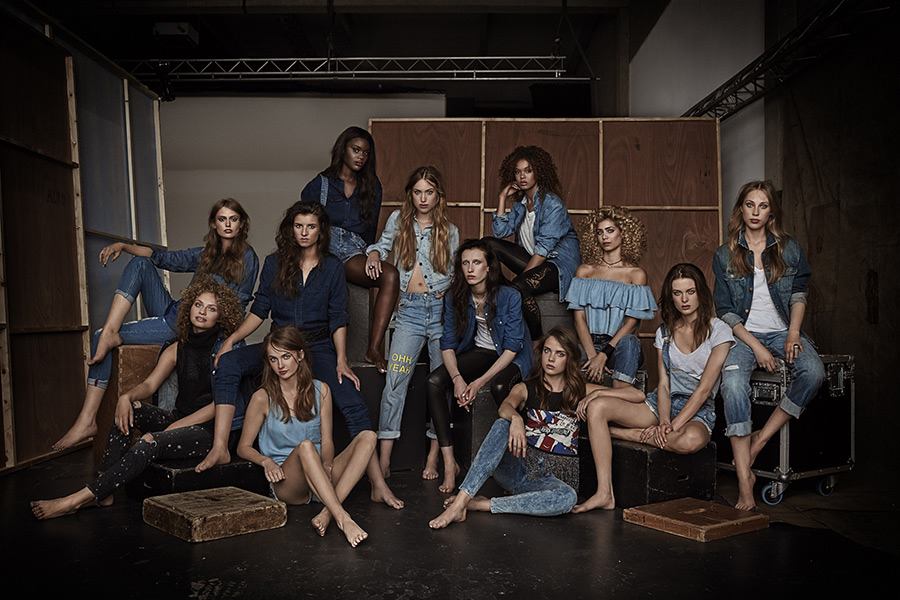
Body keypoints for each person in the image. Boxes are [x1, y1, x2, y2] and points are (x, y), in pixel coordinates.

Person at [208, 201, 403, 509]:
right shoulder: (274, 263)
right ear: (291, 228)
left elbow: (338, 317)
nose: (304, 232)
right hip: (280, 345)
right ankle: (220, 446)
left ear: (320, 231)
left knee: (353, 401)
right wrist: (231, 340)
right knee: (229, 363)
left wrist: (341, 359)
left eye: (311, 227)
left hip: (318, 347)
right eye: (298, 226)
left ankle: (378, 484)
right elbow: (260, 310)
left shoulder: (333, 267)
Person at [53, 198, 258, 451]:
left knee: (98, 337)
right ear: (214, 224)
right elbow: (164, 258)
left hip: (190, 326)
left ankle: (88, 417)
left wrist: (225, 341)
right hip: (176, 313)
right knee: (140, 265)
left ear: (241, 224)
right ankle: (109, 337)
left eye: (233, 219)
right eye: (222, 219)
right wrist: (124, 246)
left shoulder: (247, 257)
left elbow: (238, 306)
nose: (227, 224)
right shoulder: (207, 253)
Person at [31, 277, 244, 519]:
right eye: (198, 304)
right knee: (130, 409)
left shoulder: (224, 351)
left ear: (221, 316)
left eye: (211, 308)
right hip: (180, 418)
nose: (202, 312)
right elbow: (150, 384)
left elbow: (219, 406)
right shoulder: (177, 347)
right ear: (189, 307)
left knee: (149, 441)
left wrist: (175, 428)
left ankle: (76, 500)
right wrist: (126, 396)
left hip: (210, 430)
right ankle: (104, 491)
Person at [574, 263, 732, 512]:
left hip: (698, 410)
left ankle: (628, 434)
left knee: (690, 441)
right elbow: (664, 385)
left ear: (700, 293)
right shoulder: (665, 332)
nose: (684, 299)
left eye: (690, 292)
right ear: (671, 297)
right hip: (661, 405)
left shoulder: (719, 331)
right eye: (677, 293)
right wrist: (664, 421)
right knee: (598, 407)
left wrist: (672, 426)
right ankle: (605, 493)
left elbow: (704, 390)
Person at [713, 181, 825, 511]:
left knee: (814, 372)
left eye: (762, 206)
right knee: (733, 385)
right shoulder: (724, 254)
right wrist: (757, 348)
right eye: (750, 205)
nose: (755, 212)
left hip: (783, 332)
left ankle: (760, 439)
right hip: (744, 336)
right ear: (741, 209)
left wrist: (793, 334)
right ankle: (744, 479)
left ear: (771, 212)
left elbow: (799, 295)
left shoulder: (789, 249)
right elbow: (726, 311)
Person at [429, 327, 602, 529]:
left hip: (553, 483)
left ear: (569, 358)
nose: (551, 359)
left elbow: (632, 395)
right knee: (503, 423)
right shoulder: (525, 387)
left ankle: (483, 504)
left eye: (560, 354)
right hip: (519, 470)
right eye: (547, 351)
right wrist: (516, 419)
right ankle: (460, 502)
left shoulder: (580, 390)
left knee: (567, 498)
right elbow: (505, 406)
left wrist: (597, 395)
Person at [237, 326, 374, 547]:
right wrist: (266, 461)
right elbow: (243, 447)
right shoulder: (262, 397)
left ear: (300, 355)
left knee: (368, 436)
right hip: (288, 483)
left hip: (320, 475)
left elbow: (327, 440)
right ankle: (342, 518)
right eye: (273, 359)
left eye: (286, 356)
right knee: (306, 446)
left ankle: (327, 513)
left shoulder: (321, 390)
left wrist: (327, 465)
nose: (280, 365)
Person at [364, 166, 459, 481]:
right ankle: (384, 459)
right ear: (410, 194)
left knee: (440, 386)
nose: (423, 198)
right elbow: (382, 245)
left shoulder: (450, 230)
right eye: (417, 192)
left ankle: (434, 456)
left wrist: (447, 290)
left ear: (438, 196)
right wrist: (374, 255)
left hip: (440, 314)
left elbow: (456, 273)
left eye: (429, 192)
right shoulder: (398, 220)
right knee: (395, 381)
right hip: (409, 314)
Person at [426, 239, 532, 493]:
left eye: (476, 262)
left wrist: (477, 382)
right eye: (465, 263)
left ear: (489, 267)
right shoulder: (454, 297)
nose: (470, 269)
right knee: (433, 382)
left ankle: (515, 458)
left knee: (499, 387)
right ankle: (450, 463)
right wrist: (457, 379)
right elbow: (447, 344)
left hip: (510, 356)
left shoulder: (509, 296)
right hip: (480, 352)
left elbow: (512, 347)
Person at [300, 126, 397, 372]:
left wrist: (373, 253)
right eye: (355, 150)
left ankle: (373, 348)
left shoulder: (372, 187)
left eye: (365, 152)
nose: (361, 156)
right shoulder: (320, 185)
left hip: (354, 251)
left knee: (390, 275)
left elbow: (370, 232)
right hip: (323, 249)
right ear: (343, 149)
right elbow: (303, 225)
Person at [483, 145, 581, 340]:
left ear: (539, 172)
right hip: (535, 261)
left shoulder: (552, 204)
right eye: (518, 172)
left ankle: (536, 340)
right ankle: (503, 290)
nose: (522, 176)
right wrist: (502, 198)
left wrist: (518, 283)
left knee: (518, 288)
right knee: (487, 244)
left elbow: (543, 250)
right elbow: (500, 232)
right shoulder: (521, 205)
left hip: (557, 267)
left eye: (528, 171)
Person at [566, 206, 656, 387]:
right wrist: (593, 356)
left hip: (618, 346)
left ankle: (620, 394)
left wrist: (604, 355)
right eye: (599, 232)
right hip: (587, 343)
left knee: (630, 342)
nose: (604, 237)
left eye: (610, 231)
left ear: (623, 233)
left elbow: (631, 324)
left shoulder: (635, 274)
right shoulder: (585, 271)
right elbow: (579, 319)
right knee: (561, 345)